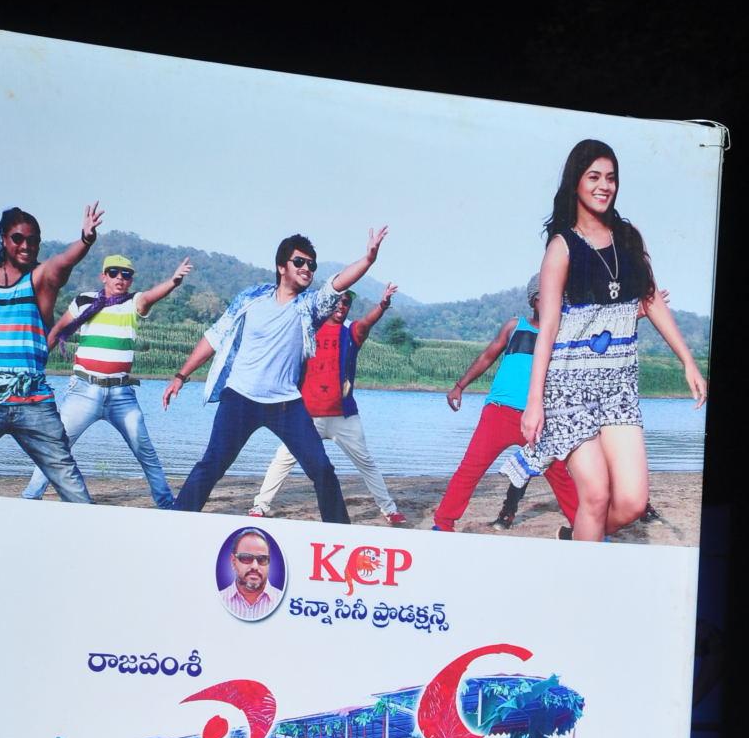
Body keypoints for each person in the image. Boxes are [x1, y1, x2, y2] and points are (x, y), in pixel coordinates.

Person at [515, 142, 707, 542]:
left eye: (611, 178)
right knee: (597, 495)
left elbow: (650, 299)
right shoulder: (561, 247)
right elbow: (547, 328)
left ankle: (575, 541)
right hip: (568, 388)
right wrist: (534, 402)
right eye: (594, 177)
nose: (604, 186)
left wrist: (687, 361)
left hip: (619, 387)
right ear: (576, 182)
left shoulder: (629, 238)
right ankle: (583, 567)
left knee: (633, 502)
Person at [162, 228, 389, 521]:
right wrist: (181, 376)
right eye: (299, 262)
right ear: (282, 267)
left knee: (321, 469)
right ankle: (178, 520)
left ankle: (339, 531)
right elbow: (214, 337)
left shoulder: (309, 306)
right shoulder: (250, 298)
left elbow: (337, 284)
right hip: (240, 398)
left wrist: (368, 259)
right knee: (213, 463)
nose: (307, 269)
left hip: (286, 404)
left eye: (311, 265)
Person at [0, 203, 104, 499]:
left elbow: (62, 262)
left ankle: (91, 526)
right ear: (3, 239)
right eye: (18, 238)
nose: (26, 246)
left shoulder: (40, 278)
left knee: (66, 477)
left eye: (33, 240)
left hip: (32, 401)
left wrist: (85, 240)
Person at [20, 253, 192, 507]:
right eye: (113, 273)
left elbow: (151, 296)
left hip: (121, 395)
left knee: (145, 451)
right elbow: (56, 332)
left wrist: (173, 282)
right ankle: (31, 496)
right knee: (56, 446)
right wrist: (34, 367)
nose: (120, 278)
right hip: (83, 390)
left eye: (126, 274)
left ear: (131, 280)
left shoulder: (133, 303)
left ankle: (166, 503)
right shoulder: (83, 301)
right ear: (103, 276)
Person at [428, 277, 578, 534]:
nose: (554, 303)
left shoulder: (563, 335)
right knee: (470, 469)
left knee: (560, 475)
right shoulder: (514, 327)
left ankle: (586, 528)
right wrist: (460, 386)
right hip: (499, 412)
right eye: (546, 298)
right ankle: (443, 524)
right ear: (534, 300)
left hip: (538, 419)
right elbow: (487, 356)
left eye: (559, 299)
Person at [250, 285, 406, 525]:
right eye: (338, 301)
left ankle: (389, 509)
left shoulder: (351, 333)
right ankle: (260, 506)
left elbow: (367, 323)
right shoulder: (307, 329)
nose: (342, 306)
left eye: (346, 303)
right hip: (307, 415)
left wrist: (383, 305)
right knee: (283, 459)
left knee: (366, 462)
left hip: (343, 416)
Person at [220, 527, 283, 621]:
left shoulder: (282, 601)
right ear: (233, 562)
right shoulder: (218, 600)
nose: (255, 566)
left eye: (262, 559)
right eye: (246, 558)